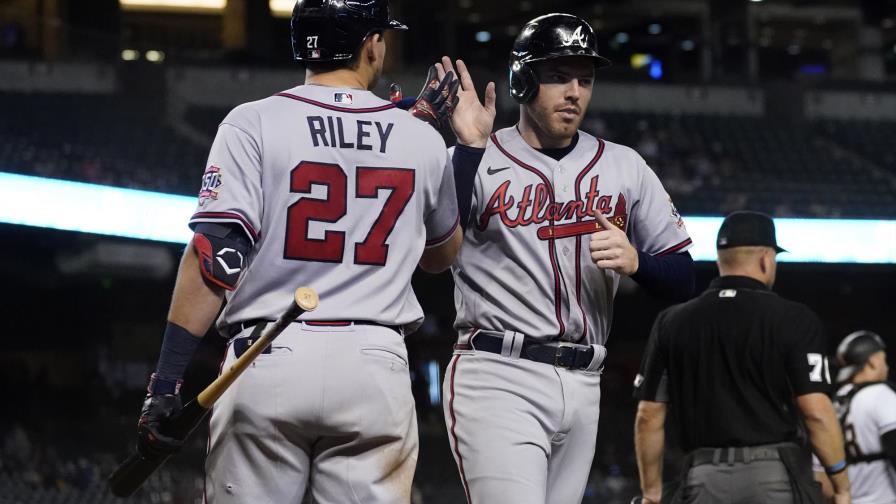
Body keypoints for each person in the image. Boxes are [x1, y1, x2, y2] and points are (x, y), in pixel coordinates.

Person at [132, 1, 468, 502]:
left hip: (268, 355)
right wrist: (423, 131)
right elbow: (441, 257)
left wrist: (165, 383)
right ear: (370, 44)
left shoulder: (253, 122)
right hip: (374, 366)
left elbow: (214, 258)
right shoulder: (419, 134)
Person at [441, 13, 695, 504]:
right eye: (558, 76)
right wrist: (468, 152)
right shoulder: (478, 157)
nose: (574, 91)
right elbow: (433, 246)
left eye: (585, 78)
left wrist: (638, 262)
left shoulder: (623, 165)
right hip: (498, 371)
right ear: (523, 80)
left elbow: (684, 278)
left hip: (585, 382)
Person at [632, 211, 851, 504]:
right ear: (765, 258)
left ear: (722, 258)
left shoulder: (672, 321)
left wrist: (651, 493)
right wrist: (841, 483)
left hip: (702, 476)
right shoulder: (795, 318)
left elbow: (648, 416)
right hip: (773, 476)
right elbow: (816, 412)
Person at [814, 331, 896, 503]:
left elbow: (819, 473)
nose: (887, 367)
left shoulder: (831, 405)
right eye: (884, 360)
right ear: (872, 362)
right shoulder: (879, 394)